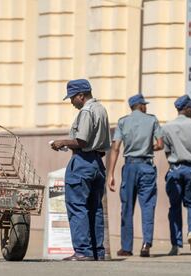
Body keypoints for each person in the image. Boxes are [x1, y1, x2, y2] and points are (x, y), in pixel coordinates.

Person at [51, 79, 111, 261]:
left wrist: (61, 142)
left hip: (83, 162)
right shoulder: (101, 109)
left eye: (72, 98)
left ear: (81, 96)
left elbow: (82, 141)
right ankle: (97, 251)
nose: (71, 102)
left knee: (77, 207)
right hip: (97, 163)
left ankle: (83, 251)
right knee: (95, 209)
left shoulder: (86, 111)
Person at [107, 93, 163, 257]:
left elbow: (116, 148)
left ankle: (126, 247)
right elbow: (160, 144)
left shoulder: (123, 121)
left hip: (130, 166)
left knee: (127, 207)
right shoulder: (152, 120)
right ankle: (146, 244)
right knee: (147, 206)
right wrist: (148, 148)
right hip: (147, 167)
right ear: (142, 106)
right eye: (145, 104)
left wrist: (110, 174)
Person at [162, 95, 191, 256]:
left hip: (174, 170)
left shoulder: (167, 127)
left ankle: (175, 245)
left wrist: (173, 165)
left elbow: (166, 151)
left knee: (174, 207)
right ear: (185, 108)